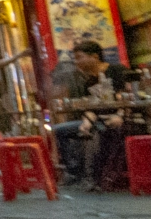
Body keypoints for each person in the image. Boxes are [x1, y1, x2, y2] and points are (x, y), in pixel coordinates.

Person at [51, 40, 128, 182]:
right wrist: (86, 121)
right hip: (97, 120)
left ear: (95, 57)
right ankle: (74, 172)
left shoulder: (117, 71)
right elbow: (91, 107)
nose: (77, 62)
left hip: (122, 118)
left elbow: (127, 97)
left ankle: (99, 174)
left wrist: (120, 115)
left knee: (102, 131)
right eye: (75, 58)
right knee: (59, 130)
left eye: (80, 57)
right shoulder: (89, 81)